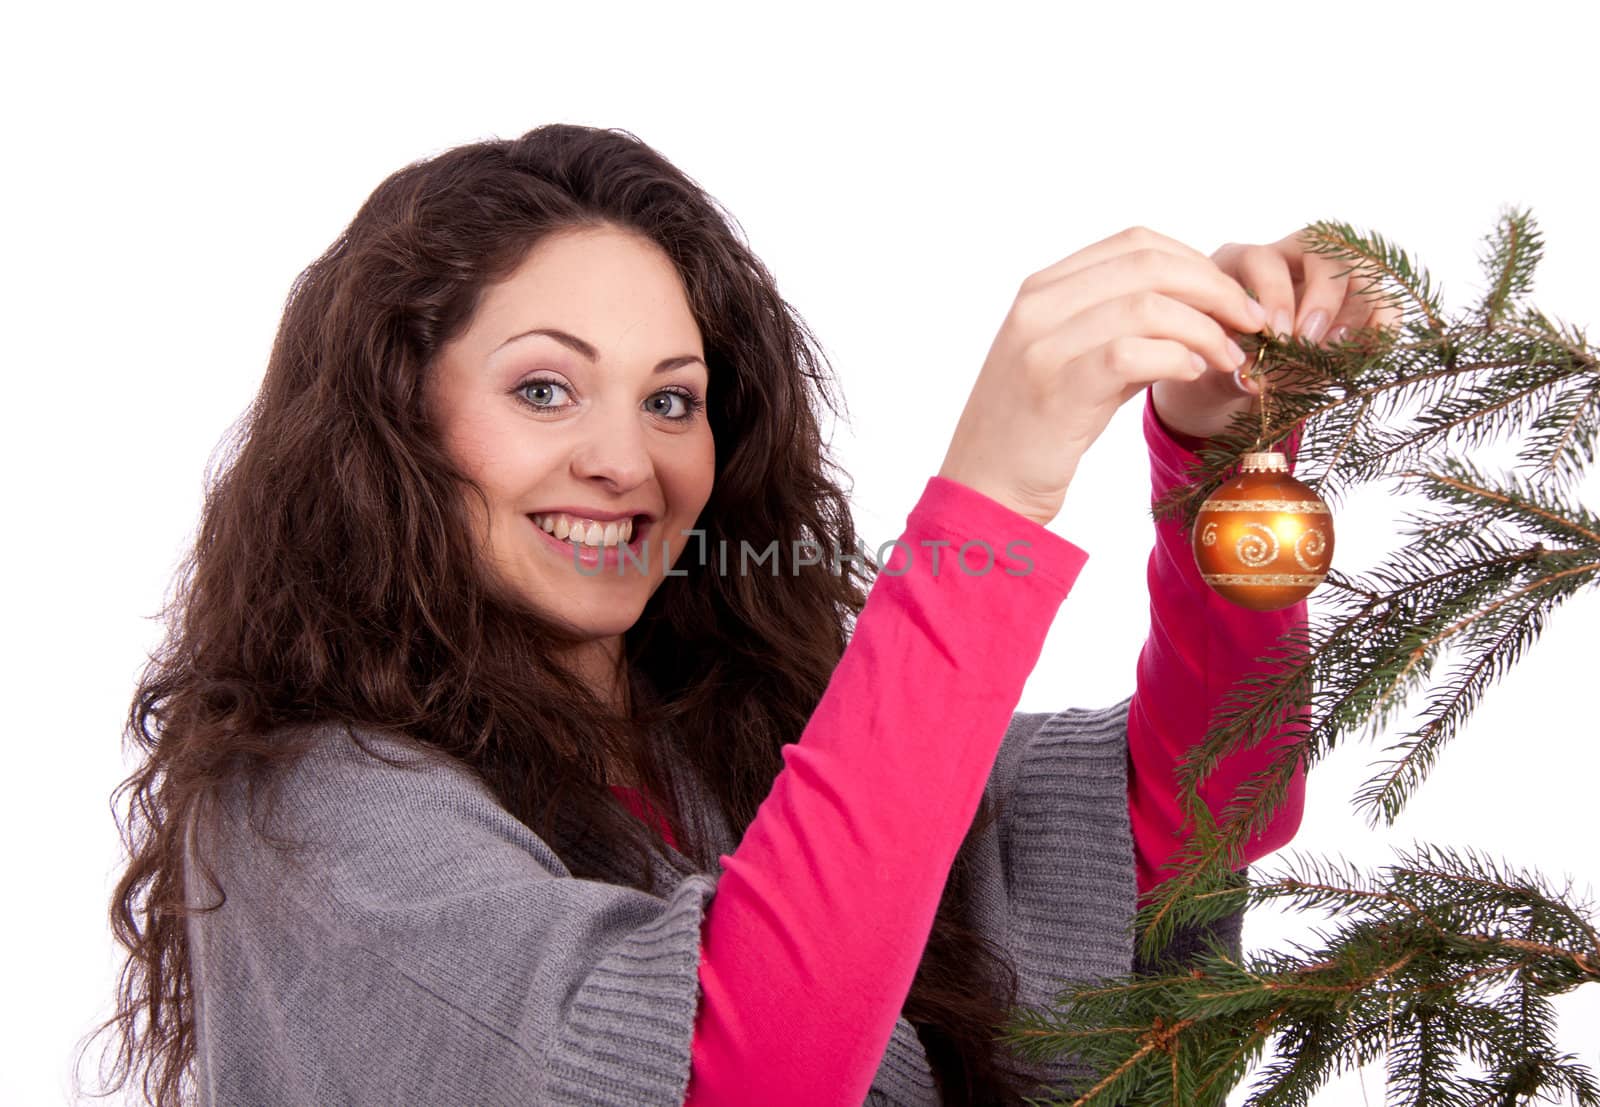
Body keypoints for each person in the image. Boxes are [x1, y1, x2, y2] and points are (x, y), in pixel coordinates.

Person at [83, 124, 1394, 1106]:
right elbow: (727, 1070)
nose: (623, 460)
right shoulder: (314, 814)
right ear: (394, 425)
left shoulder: (733, 746)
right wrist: (991, 498)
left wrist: (1222, 456)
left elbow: (1201, 807)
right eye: (545, 390)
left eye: (671, 401)